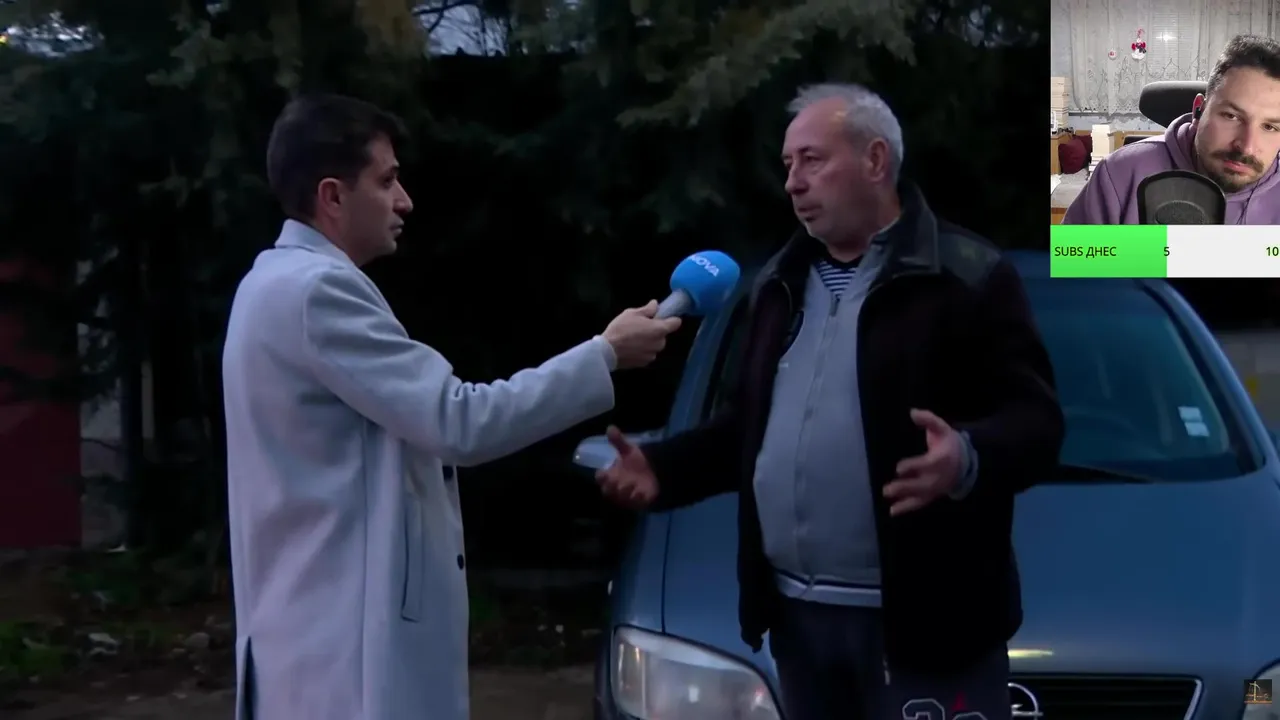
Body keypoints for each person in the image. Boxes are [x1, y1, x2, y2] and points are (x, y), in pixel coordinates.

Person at [597, 83, 1064, 720]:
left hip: (927, 626)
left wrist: (966, 456)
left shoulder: (965, 277)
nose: (793, 182)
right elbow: (747, 428)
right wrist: (663, 469)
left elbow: (1038, 422)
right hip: (799, 622)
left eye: (812, 160)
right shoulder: (777, 285)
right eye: (788, 164)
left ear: (875, 160)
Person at [221, 94, 681, 720]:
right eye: (386, 181)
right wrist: (604, 355)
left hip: (313, 640)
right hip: (344, 658)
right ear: (332, 196)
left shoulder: (268, 284)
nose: (404, 200)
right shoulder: (316, 291)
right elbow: (460, 421)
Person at [1064, 34, 1280, 224]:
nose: (1247, 147)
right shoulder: (1119, 173)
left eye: (1270, 127)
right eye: (1231, 116)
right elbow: (1071, 256)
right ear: (1198, 110)